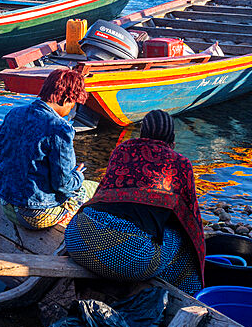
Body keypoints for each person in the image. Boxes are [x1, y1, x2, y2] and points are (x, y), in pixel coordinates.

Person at [64, 111, 204, 294]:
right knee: (185, 241)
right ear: (172, 140)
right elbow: (190, 221)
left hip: (77, 236)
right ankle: (189, 297)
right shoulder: (179, 163)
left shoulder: (122, 150)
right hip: (131, 257)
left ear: (142, 134)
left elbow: (101, 193)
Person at [0, 69, 97, 229]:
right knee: (93, 189)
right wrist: (78, 176)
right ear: (67, 99)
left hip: (6, 205)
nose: (72, 110)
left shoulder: (13, 114)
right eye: (74, 104)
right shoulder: (60, 128)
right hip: (35, 216)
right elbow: (63, 184)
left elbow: (5, 155)